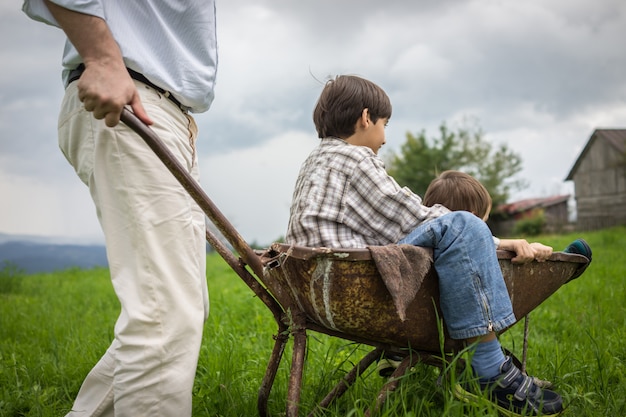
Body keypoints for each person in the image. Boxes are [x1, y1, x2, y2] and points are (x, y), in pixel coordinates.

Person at [286, 75, 564, 416]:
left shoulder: (316, 160)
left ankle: (444, 357)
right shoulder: (355, 159)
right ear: (365, 118)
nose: (384, 137)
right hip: (351, 280)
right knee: (463, 223)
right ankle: (490, 369)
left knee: (455, 228)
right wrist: (496, 241)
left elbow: (378, 224)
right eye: (385, 124)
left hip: (321, 284)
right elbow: (412, 216)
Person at [22, 1, 217, 416]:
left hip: (163, 109)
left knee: (181, 308)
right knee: (164, 315)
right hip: (130, 96)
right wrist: (101, 56)